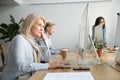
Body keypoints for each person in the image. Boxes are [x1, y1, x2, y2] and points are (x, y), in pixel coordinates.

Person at [1, 13, 66, 80]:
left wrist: (44, 40)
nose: (42, 29)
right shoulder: (19, 39)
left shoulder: (32, 42)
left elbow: (46, 58)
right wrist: (49, 65)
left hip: (28, 77)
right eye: (40, 25)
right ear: (30, 25)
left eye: (43, 27)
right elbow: (21, 66)